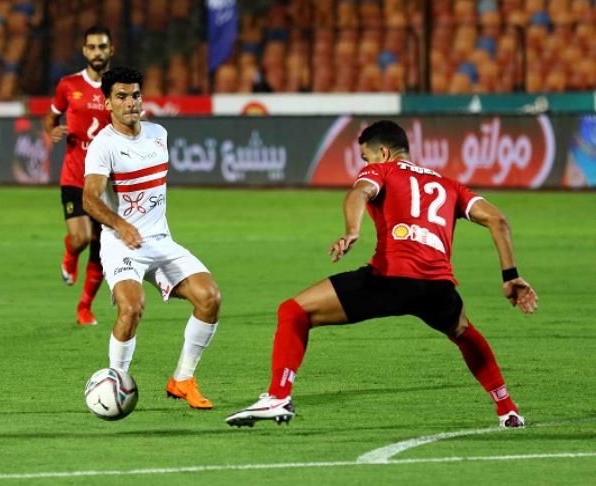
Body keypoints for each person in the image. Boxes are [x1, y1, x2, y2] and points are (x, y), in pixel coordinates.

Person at [226, 120, 538, 428]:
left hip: (390, 278)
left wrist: (352, 231)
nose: (366, 164)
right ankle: (508, 410)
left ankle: (278, 395)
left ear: (384, 153)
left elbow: (359, 193)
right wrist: (510, 276)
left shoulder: (382, 171)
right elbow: (498, 220)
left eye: (366, 157)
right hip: (437, 286)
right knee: (463, 332)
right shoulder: (449, 185)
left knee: (294, 311)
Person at [83, 66, 222, 409]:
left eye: (135, 95)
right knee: (131, 307)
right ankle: (115, 381)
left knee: (210, 298)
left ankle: (182, 379)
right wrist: (121, 225)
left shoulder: (159, 133)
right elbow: (89, 198)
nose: (131, 102)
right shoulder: (103, 146)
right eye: (121, 96)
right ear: (107, 104)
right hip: (121, 243)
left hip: (160, 240)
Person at [44, 26, 114, 326]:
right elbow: (51, 117)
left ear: (111, 50)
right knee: (81, 237)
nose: (97, 52)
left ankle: (85, 307)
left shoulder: (118, 88)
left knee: (101, 245)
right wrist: (52, 131)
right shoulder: (68, 85)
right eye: (92, 47)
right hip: (75, 175)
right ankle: (70, 252)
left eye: (102, 47)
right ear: (85, 51)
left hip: (107, 181)